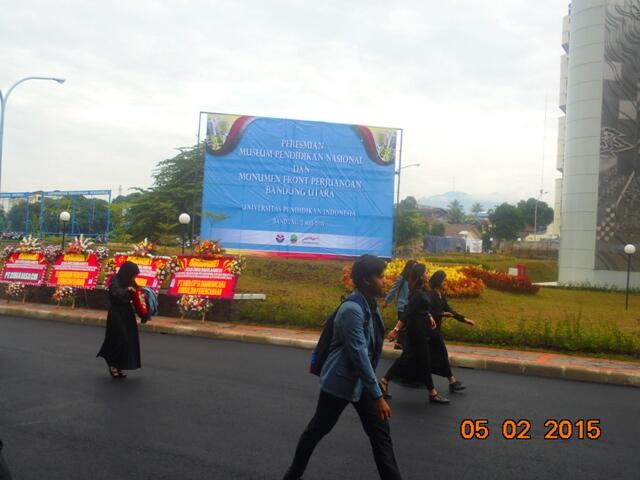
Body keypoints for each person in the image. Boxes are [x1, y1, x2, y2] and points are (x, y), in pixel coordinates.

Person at [283, 255, 403, 480]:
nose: (385, 281)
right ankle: (293, 474)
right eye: (380, 276)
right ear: (367, 280)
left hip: (362, 382)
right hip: (340, 382)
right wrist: (378, 395)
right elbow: (358, 355)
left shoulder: (367, 304)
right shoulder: (353, 309)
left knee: (380, 434)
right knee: (318, 429)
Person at [379, 263, 450, 404]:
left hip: (422, 327)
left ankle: (384, 381)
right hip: (416, 329)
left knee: (407, 356)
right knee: (424, 359)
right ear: (420, 275)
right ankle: (432, 393)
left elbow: (423, 307)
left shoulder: (422, 289)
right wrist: (395, 330)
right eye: (426, 272)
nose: (428, 274)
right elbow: (407, 313)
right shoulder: (416, 292)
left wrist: (429, 316)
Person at [427, 270, 475, 393]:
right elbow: (427, 312)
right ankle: (452, 382)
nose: (446, 282)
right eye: (444, 280)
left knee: (419, 358)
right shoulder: (431, 294)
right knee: (442, 353)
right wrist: (442, 314)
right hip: (430, 331)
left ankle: (386, 379)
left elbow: (450, 310)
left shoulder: (441, 295)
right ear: (438, 281)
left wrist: (464, 319)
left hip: (435, 330)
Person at [97, 261, 142, 378]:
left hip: (127, 313)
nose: (134, 277)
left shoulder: (131, 281)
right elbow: (115, 292)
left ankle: (119, 365)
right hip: (116, 313)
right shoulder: (114, 280)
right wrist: (127, 290)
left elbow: (138, 294)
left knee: (128, 340)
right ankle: (112, 364)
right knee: (120, 338)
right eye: (133, 274)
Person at [383, 260, 416, 349]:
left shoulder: (414, 280)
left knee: (407, 326)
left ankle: (401, 343)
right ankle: (399, 343)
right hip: (402, 305)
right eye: (413, 267)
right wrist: (386, 300)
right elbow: (394, 289)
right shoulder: (402, 278)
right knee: (402, 324)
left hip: (410, 305)